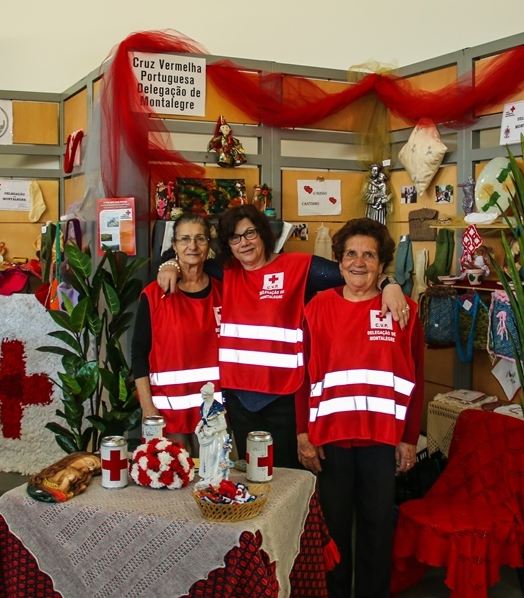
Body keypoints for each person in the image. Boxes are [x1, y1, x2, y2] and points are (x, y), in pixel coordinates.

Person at [158, 205, 410, 470]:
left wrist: (389, 284)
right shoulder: (226, 271)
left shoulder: (299, 267)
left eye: (250, 233)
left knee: (288, 476)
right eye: (235, 237)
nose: (244, 243)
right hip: (240, 400)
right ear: (227, 244)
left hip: (286, 398)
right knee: (252, 476)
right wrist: (171, 264)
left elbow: (354, 271)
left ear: (264, 234)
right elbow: (188, 255)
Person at [297, 217, 424, 598]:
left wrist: (410, 439)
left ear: (381, 264)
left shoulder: (404, 312)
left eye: (369, 255)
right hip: (330, 443)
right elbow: (302, 375)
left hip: (381, 443)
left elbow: (416, 381)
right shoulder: (317, 308)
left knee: (376, 533)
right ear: (338, 262)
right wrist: (303, 433)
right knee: (332, 538)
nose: (359, 262)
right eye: (351, 253)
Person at [131, 212, 223, 456]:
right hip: (167, 412)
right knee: (172, 484)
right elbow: (139, 353)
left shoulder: (225, 292)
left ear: (208, 246)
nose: (192, 246)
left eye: (200, 239)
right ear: (174, 246)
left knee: (214, 484)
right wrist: (147, 406)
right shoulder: (154, 295)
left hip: (215, 413)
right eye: (184, 239)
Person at [195, 381, 232, 488]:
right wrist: (198, 426)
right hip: (206, 436)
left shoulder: (218, 408)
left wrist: (213, 430)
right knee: (206, 456)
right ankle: (207, 476)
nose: (203, 397)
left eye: (205, 395)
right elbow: (204, 419)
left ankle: (216, 477)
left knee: (215, 456)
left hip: (217, 437)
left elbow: (223, 425)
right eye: (202, 395)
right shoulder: (203, 405)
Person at [27, 452, 102, 502]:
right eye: (90, 463)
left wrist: (67, 482)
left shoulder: (78, 477)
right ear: (78, 457)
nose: (91, 468)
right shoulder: (59, 469)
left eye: (93, 470)